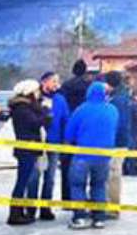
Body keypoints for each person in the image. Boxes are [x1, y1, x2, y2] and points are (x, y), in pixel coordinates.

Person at [64, 81, 119, 229]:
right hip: (104, 155)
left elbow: (69, 133)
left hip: (82, 155)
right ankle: (99, 217)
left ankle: (80, 217)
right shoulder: (112, 110)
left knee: (77, 185)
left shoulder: (81, 110)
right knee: (99, 185)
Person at [7, 79, 46, 226]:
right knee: (22, 181)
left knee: (23, 180)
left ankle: (18, 211)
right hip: (27, 149)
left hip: (27, 148)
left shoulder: (23, 107)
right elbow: (34, 123)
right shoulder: (22, 109)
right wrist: (45, 114)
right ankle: (15, 213)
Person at [58, 59, 92, 201]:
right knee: (84, 165)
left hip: (68, 126)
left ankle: (67, 197)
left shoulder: (65, 86)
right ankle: (81, 196)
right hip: (85, 129)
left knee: (66, 164)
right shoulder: (88, 87)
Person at [38, 71, 69, 220]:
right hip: (37, 143)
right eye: (54, 81)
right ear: (44, 82)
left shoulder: (60, 100)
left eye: (58, 81)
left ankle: (46, 207)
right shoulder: (35, 98)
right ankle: (30, 207)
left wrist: (65, 141)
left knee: (49, 178)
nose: (57, 84)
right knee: (34, 177)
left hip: (54, 142)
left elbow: (65, 120)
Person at [105, 71, 133, 213]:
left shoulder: (118, 100)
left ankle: (112, 207)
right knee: (113, 174)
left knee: (113, 175)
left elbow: (119, 123)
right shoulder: (123, 96)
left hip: (117, 142)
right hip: (121, 140)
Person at [124, 85, 137, 177]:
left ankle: (126, 168)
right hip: (134, 130)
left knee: (128, 149)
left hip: (129, 129)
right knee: (133, 149)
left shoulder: (126, 103)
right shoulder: (134, 104)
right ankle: (133, 169)